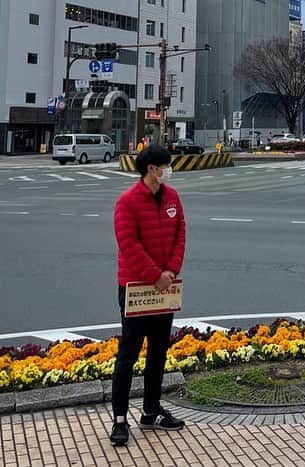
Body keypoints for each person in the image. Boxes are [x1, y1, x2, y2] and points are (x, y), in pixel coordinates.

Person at [110, 145, 187, 447]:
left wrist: (170, 270)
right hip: (136, 287)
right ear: (151, 169)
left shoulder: (172, 197)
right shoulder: (127, 201)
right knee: (128, 354)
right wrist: (156, 276)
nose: (169, 170)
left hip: (164, 287)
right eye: (165, 165)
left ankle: (151, 410)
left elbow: (181, 232)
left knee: (158, 352)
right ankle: (119, 419)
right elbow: (128, 243)